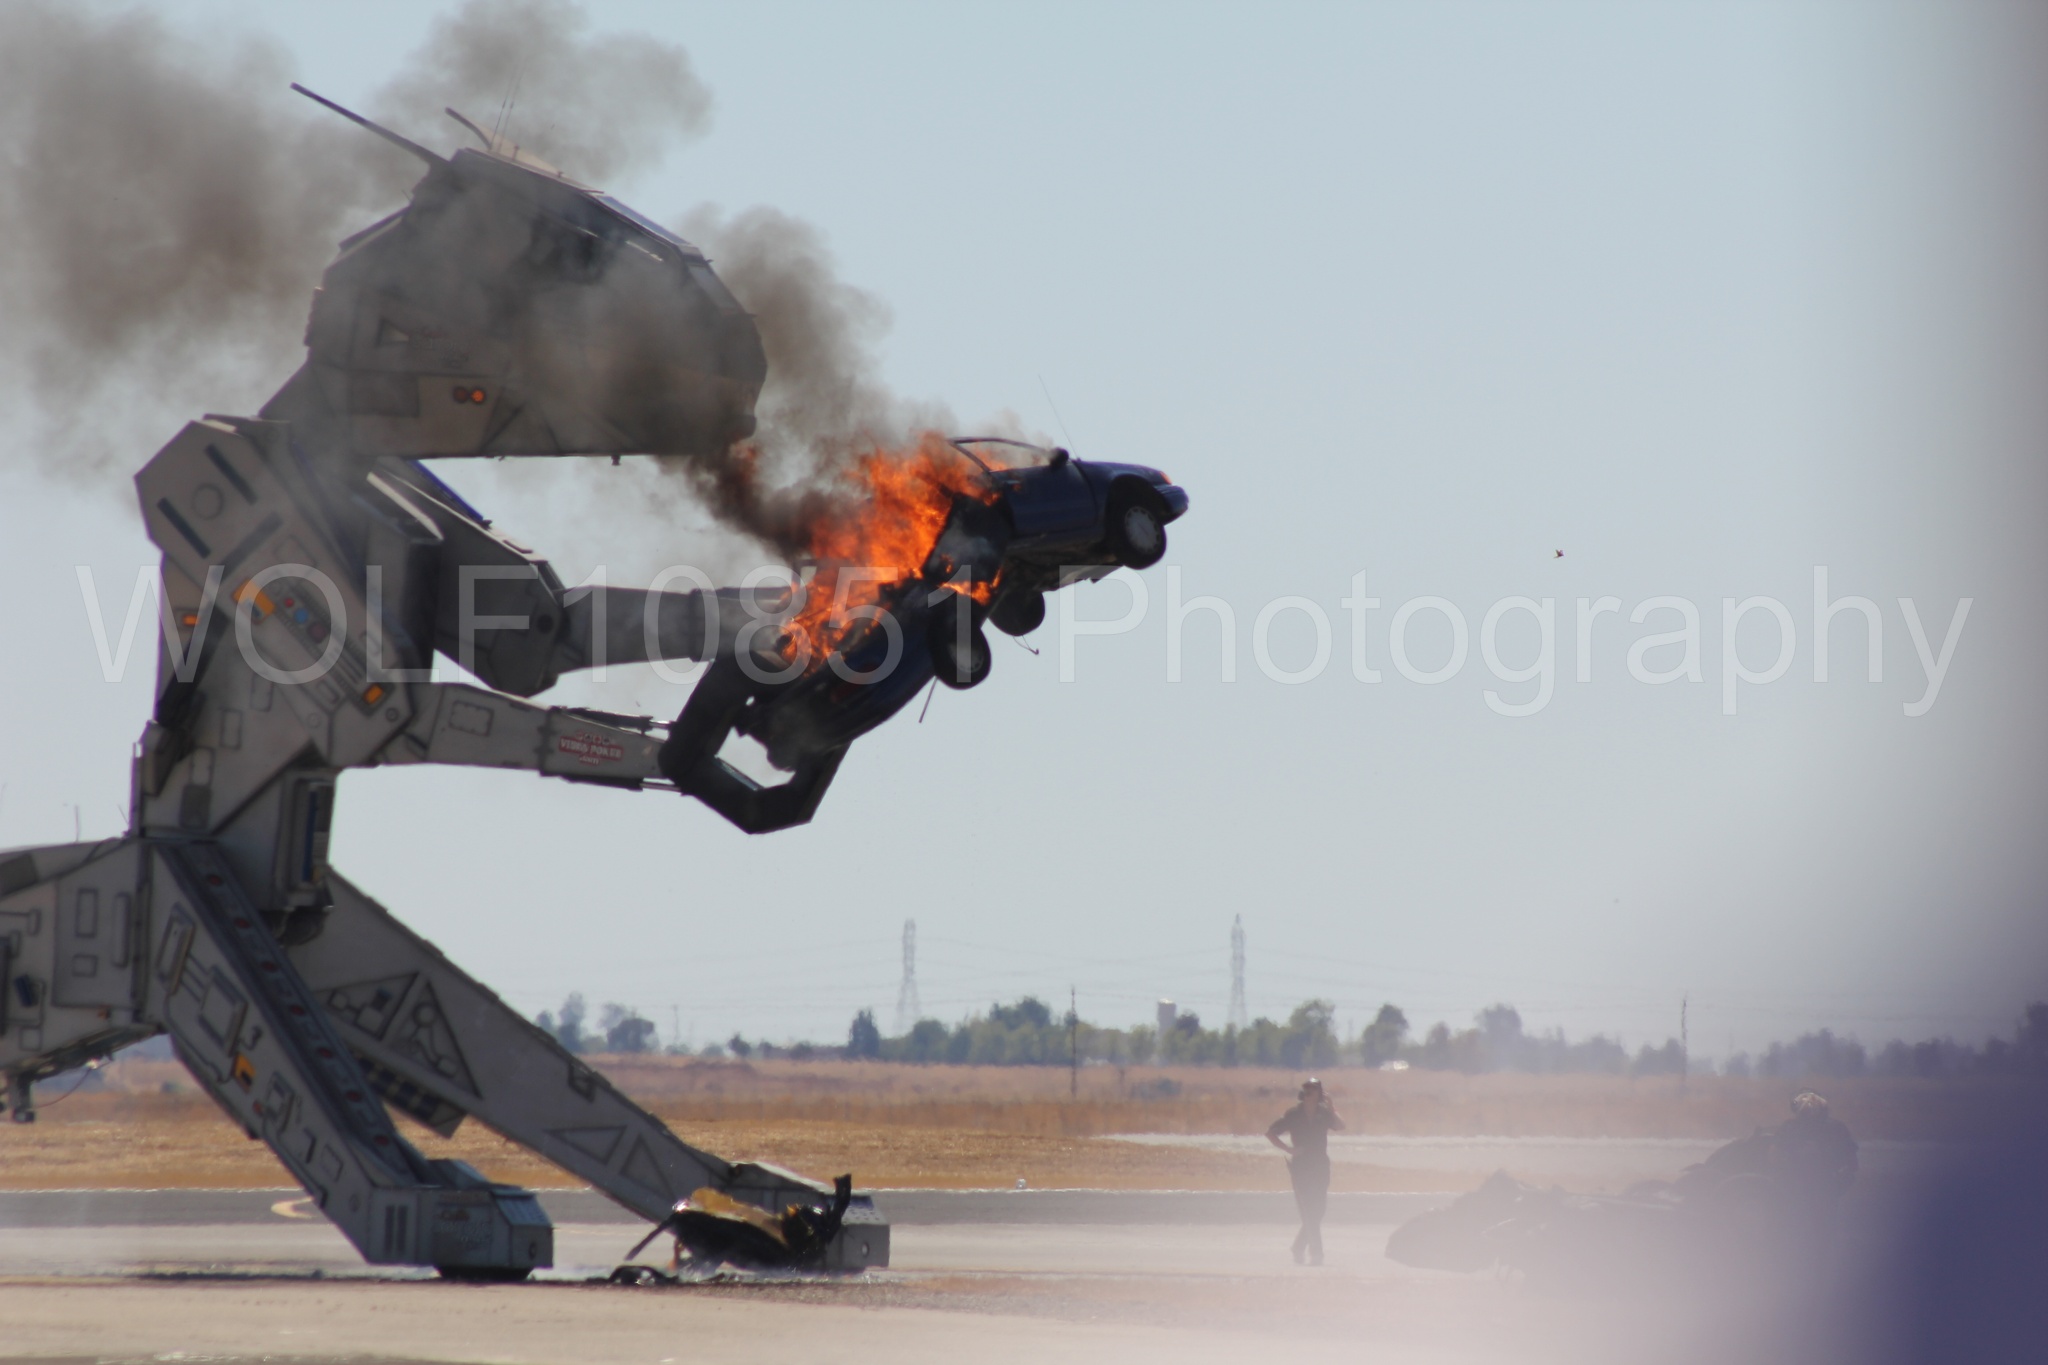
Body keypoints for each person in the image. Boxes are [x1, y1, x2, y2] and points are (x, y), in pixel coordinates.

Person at [1267, 1077, 1344, 1264]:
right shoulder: (1294, 1114)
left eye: (1313, 1089)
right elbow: (1271, 1133)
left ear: (1319, 1094)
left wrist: (1332, 1106)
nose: (1309, 1092)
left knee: (1319, 1210)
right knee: (1309, 1210)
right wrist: (1288, 1149)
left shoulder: (1324, 1113)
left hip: (1320, 1165)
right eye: (1306, 1089)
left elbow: (1340, 1126)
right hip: (1301, 1166)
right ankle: (1317, 1254)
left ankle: (1298, 1246)